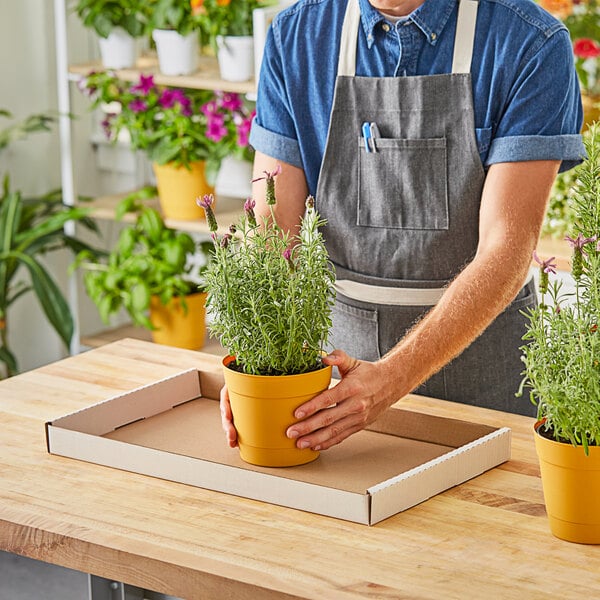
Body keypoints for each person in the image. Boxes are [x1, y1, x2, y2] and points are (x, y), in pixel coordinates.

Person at [220, 0, 585, 452]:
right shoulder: (297, 37)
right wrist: (263, 366)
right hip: (331, 396)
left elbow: (506, 250)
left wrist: (388, 379)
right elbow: (273, 232)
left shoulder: (530, 42)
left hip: (483, 388)